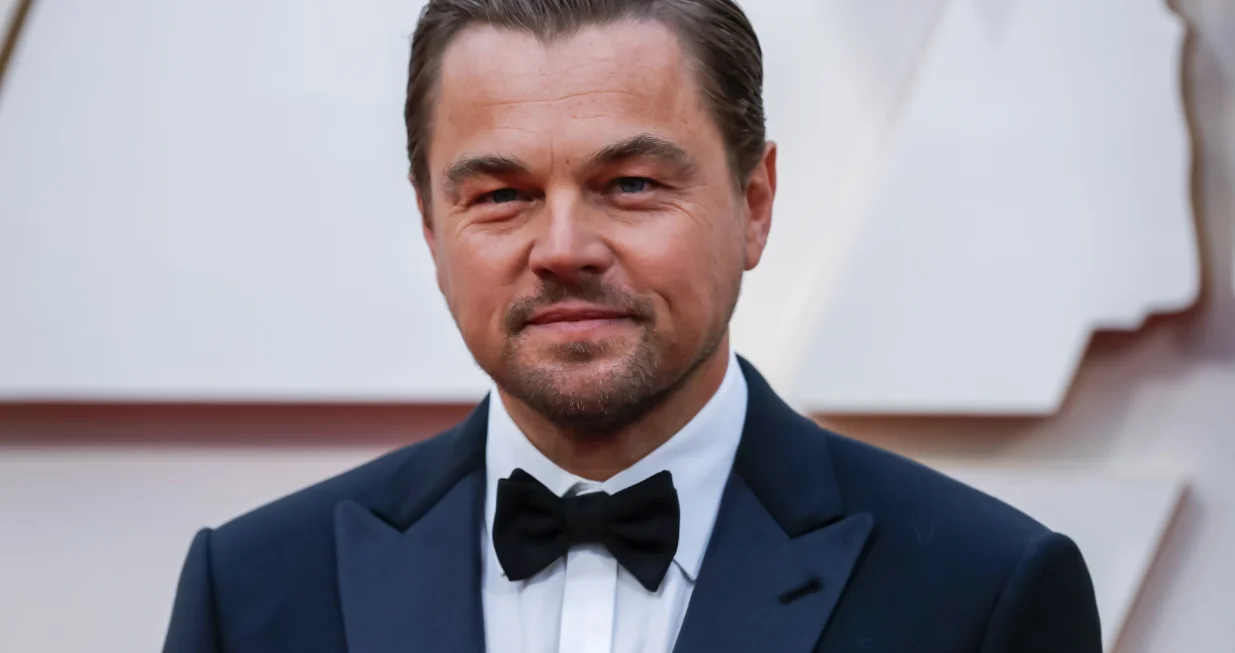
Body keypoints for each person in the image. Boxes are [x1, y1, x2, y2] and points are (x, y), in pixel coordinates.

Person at [162, 0, 1103, 651]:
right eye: (502, 194)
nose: (563, 246)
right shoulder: (248, 592)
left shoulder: (983, 593)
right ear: (430, 226)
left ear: (755, 202)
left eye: (631, 185)